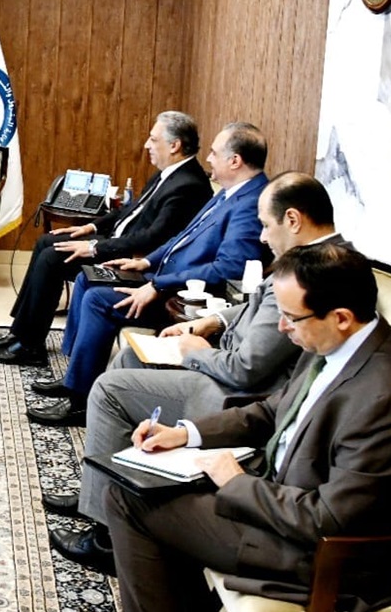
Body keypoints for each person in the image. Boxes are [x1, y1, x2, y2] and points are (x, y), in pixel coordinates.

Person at [104, 243, 391, 610]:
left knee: (127, 499)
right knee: (141, 481)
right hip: (279, 501)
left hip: (326, 555)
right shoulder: (335, 341)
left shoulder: (384, 395)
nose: (282, 327)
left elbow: (329, 519)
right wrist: (186, 433)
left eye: (291, 317)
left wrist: (237, 483)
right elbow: (270, 411)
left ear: (342, 317)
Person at [47, 172, 345, 574]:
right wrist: (214, 320)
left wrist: (197, 354)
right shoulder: (320, 258)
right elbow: (256, 305)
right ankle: (100, 497)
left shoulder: (315, 272)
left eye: (265, 225)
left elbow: (247, 369)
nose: (261, 237)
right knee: (130, 359)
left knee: (110, 389)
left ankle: (107, 539)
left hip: (239, 392)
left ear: (293, 220)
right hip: (229, 365)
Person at [27, 122, 270, 427]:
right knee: (89, 276)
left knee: (99, 300)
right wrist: (145, 262)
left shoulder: (250, 204)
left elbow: (229, 268)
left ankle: (79, 403)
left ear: (234, 161)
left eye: (214, 152)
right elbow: (182, 237)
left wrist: (157, 284)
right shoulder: (230, 193)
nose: (208, 158)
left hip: (183, 297)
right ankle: (75, 378)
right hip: (164, 276)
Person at [0, 111, 212, 366]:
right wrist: (91, 226)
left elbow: (153, 237)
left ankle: (30, 347)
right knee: (46, 241)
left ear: (174, 145)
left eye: (153, 139)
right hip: (118, 241)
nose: (147, 145)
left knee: (52, 258)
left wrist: (94, 247)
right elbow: (130, 210)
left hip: (133, 257)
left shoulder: (188, 185)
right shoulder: (168, 173)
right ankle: (20, 332)